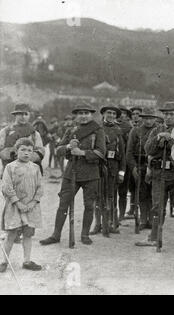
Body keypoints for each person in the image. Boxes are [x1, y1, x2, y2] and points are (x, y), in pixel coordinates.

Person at [40, 103, 106, 246]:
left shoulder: (98, 130)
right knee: (63, 204)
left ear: (91, 114)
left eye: (86, 113)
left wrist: (82, 153)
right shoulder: (71, 130)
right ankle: (56, 235)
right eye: (80, 113)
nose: (83, 116)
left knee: (89, 205)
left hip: (91, 173)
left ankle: (85, 234)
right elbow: (58, 150)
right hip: (71, 172)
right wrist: (69, 146)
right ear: (76, 115)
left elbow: (101, 153)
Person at [135, 102, 174, 250]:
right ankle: (154, 237)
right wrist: (159, 139)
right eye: (165, 114)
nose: (168, 117)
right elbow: (148, 150)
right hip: (159, 175)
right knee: (157, 207)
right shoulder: (156, 129)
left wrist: (170, 140)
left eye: (171, 114)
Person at [1, 138, 43, 273]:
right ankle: (3, 261)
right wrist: (17, 202)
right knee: (11, 234)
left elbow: (40, 188)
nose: (26, 153)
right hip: (14, 207)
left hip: (31, 208)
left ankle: (27, 260)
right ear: (16, 151)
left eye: (29, 150)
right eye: (23, 150)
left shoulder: (36, 168)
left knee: (28, 234)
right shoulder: (10, 167)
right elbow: (6, 187)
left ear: (33, 153)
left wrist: (32, 202)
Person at [90, 106, 125, 236]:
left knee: (111, 197)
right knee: (98, 197)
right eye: (108, 113)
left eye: (113, 113)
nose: (110, 115)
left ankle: (110, 223)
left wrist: (121, 173)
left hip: (113, 169)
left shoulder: (118, 131)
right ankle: (97, 224)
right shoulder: (96, 129)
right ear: (103, 114)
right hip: (98, 167)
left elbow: (123, 154)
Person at [126, 107, 159, 231]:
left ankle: (152, 220)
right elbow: (128, 152)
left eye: (151, 118)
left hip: (155, 166)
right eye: (146, 118)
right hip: (140, 165)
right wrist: (133, 167)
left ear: (155, 119)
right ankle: (143, 219)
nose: (148, 121)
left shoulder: (159, 130)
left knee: (153, 195)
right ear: (142, 118)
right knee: (142, 194)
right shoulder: (136, 131)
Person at [0, 103, 45, 178]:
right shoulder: (5, 131)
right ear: (15, 115)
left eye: (26, 114)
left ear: (29, 115)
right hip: (10, 173)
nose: (23, 117)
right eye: (20, 114)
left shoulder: (34, 133)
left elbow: (41, 152)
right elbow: (1, 150)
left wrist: (25, 157)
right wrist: (11, 153)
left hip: (30, 174)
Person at [116, 105, 134, 221]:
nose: (121, 115)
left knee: (123, 191)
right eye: (120, 113)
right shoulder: (106, 126)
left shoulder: (129, 128)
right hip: (111, 163)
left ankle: (121, 215)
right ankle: (111, 215)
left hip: (124, 162)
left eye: (124, 113)